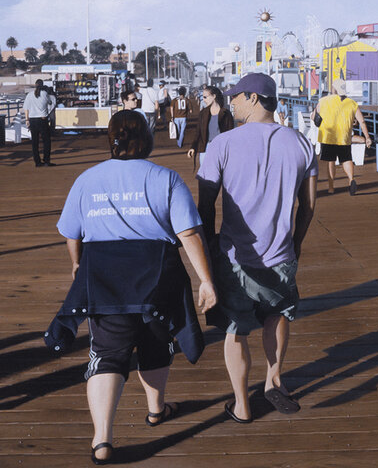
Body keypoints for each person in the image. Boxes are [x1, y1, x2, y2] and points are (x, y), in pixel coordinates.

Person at [46, 110, 217, 465]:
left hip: (105, 276)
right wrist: (206, 281)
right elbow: (188, 234)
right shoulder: (166, 178)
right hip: (156, 275)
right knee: (156, 341)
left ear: (111, 140)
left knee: (108, 353)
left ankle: (102, 439)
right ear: (149, 139)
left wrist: (78, 265)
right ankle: (156, 410)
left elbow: (70, 233)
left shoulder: (87, 179)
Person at [197, 73, 317, 423]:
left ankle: (241, 404)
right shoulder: (301, 143)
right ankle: (273, 381)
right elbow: (308, 206)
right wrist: (295, 244)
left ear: (252, 97)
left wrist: (206, 254)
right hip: (280, 254)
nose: (230, 102)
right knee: (277, 316)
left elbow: (204, 206)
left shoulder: (223, 144)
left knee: (235, 329)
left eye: (235, 97)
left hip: (235, 257)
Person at [311, 79, 372, 195]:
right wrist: (367, 137)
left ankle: (331, 187)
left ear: (333, 88)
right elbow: (362, 121)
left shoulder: (323, 101)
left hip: (328, 136)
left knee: (331, 161)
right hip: (344, 136)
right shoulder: (352, 103)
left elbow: (313, 117)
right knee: (346, 159)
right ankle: (351, 179)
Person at [188, 86, 234, 168]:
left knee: (220, 172)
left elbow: (231, 133)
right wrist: (193, 147)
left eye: (205, 97)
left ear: (214, 96)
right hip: (205, 147)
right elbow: (198, 132)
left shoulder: (226, 113)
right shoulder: (203, 113)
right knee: (204, 173)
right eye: (203, 97)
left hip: (221, 148)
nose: (204, 100)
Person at [23, 78, 56, 167]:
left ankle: (37, 162)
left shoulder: (29, 95)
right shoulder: (44, 94)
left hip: (32, 120)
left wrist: (27, 120)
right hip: (42, 120)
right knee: (46, 141)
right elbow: (50, 102)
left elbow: (26, 108)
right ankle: (46, 161)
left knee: (35, 142)